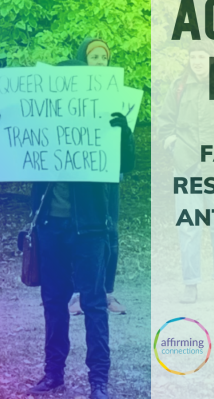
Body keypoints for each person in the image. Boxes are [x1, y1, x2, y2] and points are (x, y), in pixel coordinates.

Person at [0, 59, 135, 398]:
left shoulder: (101, 125)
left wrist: (123, 133)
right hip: (50, 228)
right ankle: (54, 374)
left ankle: (99, 380)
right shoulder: (41, 128)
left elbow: (126, 164)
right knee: (53, 303)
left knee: (94, 304)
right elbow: (9, 153)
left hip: (91, 229)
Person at [157, 41, 214, 304]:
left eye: (202, 56)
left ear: (211, 59)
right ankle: (190, 284)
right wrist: (175, 147)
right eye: (193, 56)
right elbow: (165, 124)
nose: (197, 61)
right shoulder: (178, 87)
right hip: (187, 169)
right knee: (188, 227)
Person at [69, 38, 127, 316]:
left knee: (110, 232)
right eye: (94, 57)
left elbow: (127, 151)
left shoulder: (118, 95)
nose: (100, 62)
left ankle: (106, 293)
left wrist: (124, 130)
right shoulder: (69, 95)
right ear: (84, 60)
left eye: (104, 57)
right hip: (80, 175)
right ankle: (77, 295)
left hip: (108, 175)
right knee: (79, 232)